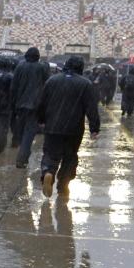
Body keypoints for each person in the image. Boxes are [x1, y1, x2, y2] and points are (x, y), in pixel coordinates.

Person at [37, 55, 100, 197]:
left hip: (53, 126)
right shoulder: (85, 84)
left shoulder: (52, 80)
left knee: (50, 154)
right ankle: (63, 184)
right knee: (70, 157)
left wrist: (41, 119)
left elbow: (43, 103)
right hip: (74, 128)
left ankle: (48, 172)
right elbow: (91, 107)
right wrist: (94, 128)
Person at [10, 47, 51, 167]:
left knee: (22, 129)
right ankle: (22, 158)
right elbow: (47, 86)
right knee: (29, 132)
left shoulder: (20, 66)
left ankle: (20, 149)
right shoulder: (42, 67)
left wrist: (13, 102)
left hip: (20, 103)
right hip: (35, 105)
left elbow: (13, 86)